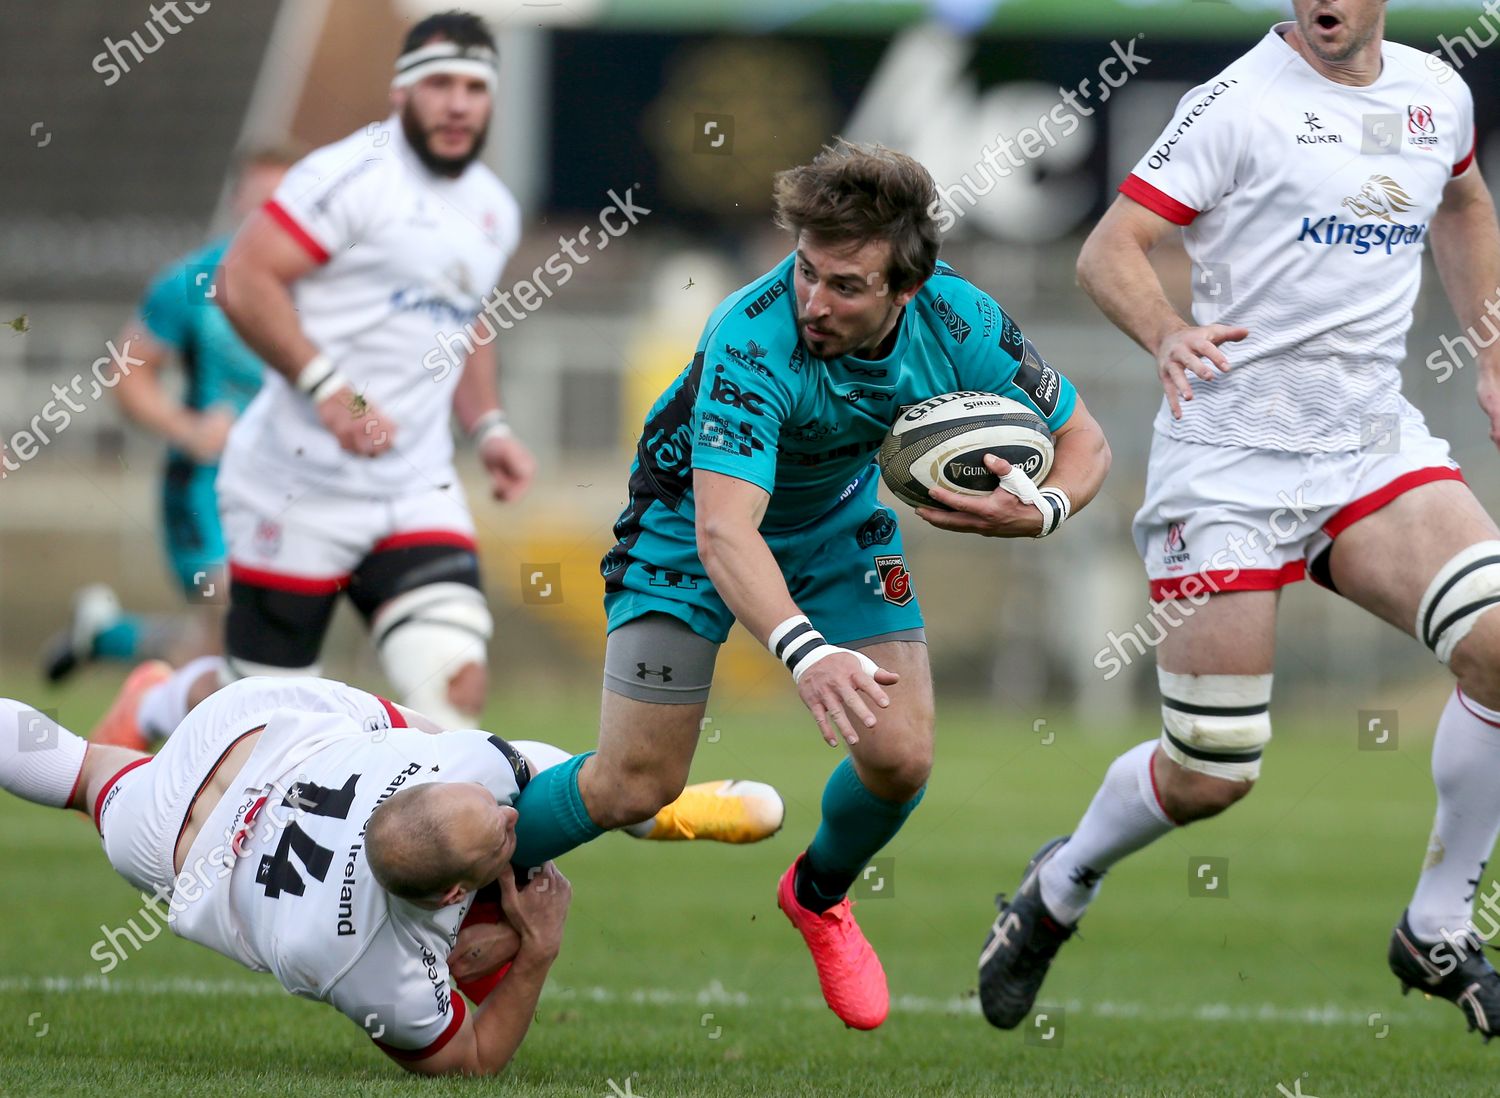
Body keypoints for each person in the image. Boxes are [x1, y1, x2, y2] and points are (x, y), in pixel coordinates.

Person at [979, 0, 1500, 1039]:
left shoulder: (1436, 92)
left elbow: (1465, 203)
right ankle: (1059, 884)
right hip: (1228, 464)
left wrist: (1490, 346)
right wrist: (1168, 331)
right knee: (1213, 772)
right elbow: (1108, 249)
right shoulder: (1235, 104)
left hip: (1367, 448)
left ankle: (1437, 924)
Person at [505, 139, 1111, 1029]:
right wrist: (805, 651)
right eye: (807, 272)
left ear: (907, 289)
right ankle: (470, 868)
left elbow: (1086, 441)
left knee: (900, 756)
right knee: (635, 784)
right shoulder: (752, 337)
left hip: (836, 521)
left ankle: (818, 894)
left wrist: (1048, 508)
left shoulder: (961, 322)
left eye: (847, 286)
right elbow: (725, 531)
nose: (815, 303)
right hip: (686, 524)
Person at [92, 10, 535, 752]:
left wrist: (488, 426)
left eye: (473, 87)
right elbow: (242, 278)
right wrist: (333, 389)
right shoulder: (348, 176)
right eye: (439, 84)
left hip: (413, 485)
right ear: (401, 93)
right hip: (294, 486)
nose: (457, 103)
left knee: (453, 685)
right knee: (265, 726)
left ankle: (416, 864)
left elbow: (469, 322)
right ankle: (159, 705)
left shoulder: (494, 206)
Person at [0, 674, 784, 1074]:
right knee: (506, 939)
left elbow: (581, 782)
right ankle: (162, 695)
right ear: (448, 893)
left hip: (238, 748)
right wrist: (537, 955)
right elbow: (469, 1064)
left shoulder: (456, 764)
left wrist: (640, 806)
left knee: (82, 770)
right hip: (197, 826)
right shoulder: (370, 968)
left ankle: (673, 814)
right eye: (498, 835)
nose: (515, 819)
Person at [40, 145, 300, 699]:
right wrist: (188, 428)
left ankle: (110, 637)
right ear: (236, 202)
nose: (268, 219)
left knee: (213, 657)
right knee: (237, 625)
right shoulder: (193, 282)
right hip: (203, 489)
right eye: (258, 203)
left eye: (282, 205)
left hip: (284, 489)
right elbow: (126, 374)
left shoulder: (322, 285)